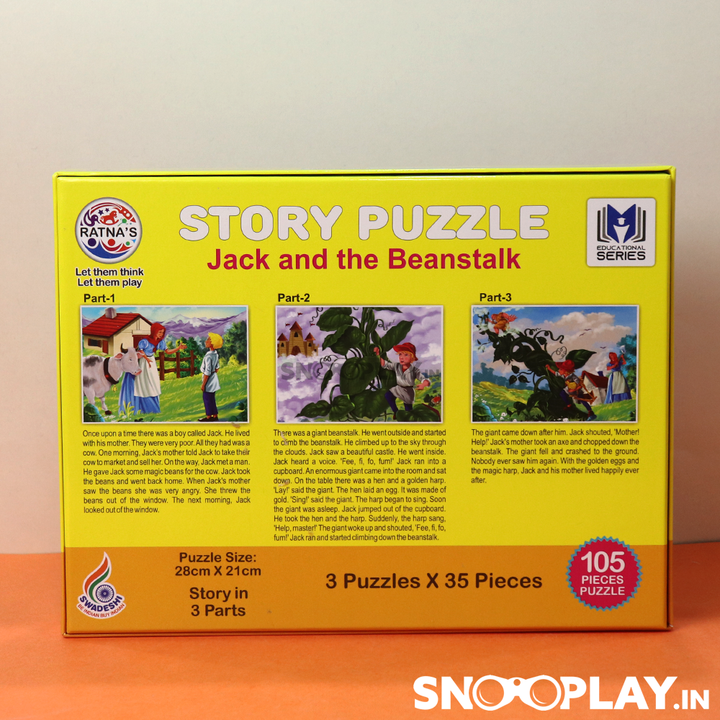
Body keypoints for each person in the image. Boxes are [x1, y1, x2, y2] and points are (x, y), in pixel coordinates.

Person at [118, 323, 185, 415]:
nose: (161, 334)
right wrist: (147, 359)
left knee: (153, 382)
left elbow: (168, 352)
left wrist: (178, 348)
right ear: (154, 331)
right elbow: (141, 351)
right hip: (143, 362)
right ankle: (142, 406)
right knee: (143, 383)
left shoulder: (161, 342)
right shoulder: (145, 341)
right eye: (159, 332)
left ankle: (153, 406)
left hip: (151, 362)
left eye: (162, 332)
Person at [374, 342, 430, 417]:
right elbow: (385, 364)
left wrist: (424, 384)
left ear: (412, 358)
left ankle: (407, 419)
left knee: (408, 408)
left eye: (406, 355)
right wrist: (378, 354)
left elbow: (423, 379)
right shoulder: (397, 366)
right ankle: (396, 412)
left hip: (408, 391)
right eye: (400, 354)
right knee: (388, 395)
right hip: (398, 388)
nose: (401, 357)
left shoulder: (414, 370)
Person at [198, 333, 223, 422]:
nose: (206, 341)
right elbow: (217, 368)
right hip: (214, 379)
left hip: (208, 380)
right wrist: (213, 373)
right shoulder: (215, 354)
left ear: (212, 343)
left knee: (207, 398)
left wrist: (203, 384)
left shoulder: (208, 356)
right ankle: (215, 415)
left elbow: (207, 372)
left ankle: (209, 417)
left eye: (208, 340)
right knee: (212, 398)